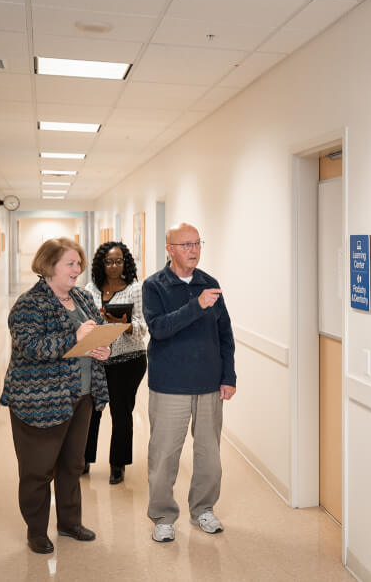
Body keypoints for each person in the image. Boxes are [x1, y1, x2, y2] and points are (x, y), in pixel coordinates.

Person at [0, 238, 112, 554]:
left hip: (82, 396)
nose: (78, 270)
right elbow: (31, 348)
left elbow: (98, 330)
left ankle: (69, 523)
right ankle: (36, 530)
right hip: (40, 401)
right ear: (49, 266)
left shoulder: (84, 298)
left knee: (72, 466)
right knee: (38, 470)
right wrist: (73, 336)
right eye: (70, 264)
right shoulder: (28, 305)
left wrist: (103, 348)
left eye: (79, 263)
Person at [142, 222, 236, 543]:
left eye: (197, 243)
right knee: (164, 454)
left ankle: (204, 510)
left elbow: (225, 334)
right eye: (185, 245)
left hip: (209, 384)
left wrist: (229, 376)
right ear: (169, 249)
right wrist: (196, 306)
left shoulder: (210, 283)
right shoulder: (155, 286)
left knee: (210, 454)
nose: (193, 250)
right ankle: (163, 516)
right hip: (170, 385)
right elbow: (159, 329)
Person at [83, 241, 148, 485]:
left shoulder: (135, 289)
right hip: (97, 360)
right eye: (108, 261)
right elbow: (82, 325)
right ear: (101, 263)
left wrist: (124, 324)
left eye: (118, 261)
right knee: (92, 412)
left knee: (121, 413)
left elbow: (142, 329)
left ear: (125, 263)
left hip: (129, 361)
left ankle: (117, 464)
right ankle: (84, 459)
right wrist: (95, 320)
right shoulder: (90, 289)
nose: (113, 266)